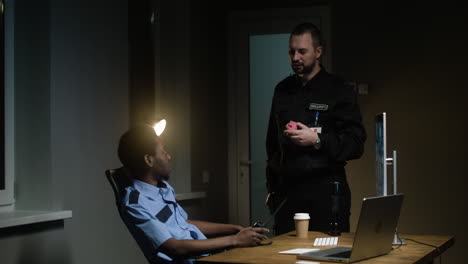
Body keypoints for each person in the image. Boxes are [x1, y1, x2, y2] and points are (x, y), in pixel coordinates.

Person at [265, 22, 366, 235]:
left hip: (326, 192)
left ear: (318, 52)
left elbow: (356, 144)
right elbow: (272, 143)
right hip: (288, 193)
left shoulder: (339, 89)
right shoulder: (282, 89)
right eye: (291, 51)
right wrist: (272, 188)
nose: (295, 58)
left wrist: (317, 140)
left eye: (302, 51)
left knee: (326, 254)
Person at [118, 125, 269, 264]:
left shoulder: (163, 188)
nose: (169, 157)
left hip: (210, 256)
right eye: (164, 152)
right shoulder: (136, 204)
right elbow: (175, 248)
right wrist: (235, 240)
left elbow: (185, 223)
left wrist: (235, 228)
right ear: (149, 160)